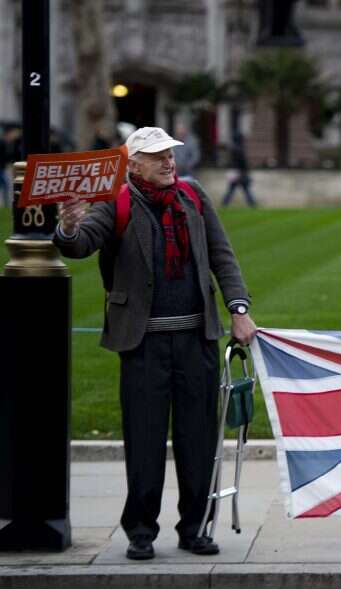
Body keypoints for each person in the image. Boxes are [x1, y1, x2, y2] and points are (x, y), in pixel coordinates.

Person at [54, 126, 257, 560]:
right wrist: (69, 227)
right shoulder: (118, 202)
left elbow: (223, 256)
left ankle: (195, 529)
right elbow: (80, 245)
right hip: (142, 343)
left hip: (196, 339)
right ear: (134, 164)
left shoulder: (193, 196)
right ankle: (141, 531)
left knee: (199, 441)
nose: (169, 162)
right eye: (157, 156)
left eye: (170, 154)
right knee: (144, 441)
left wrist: (238, 309)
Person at [221, 132, 257, 208]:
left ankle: (225, 203)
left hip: (234, 171)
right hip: (240, 172)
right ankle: (252, 203)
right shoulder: (240, 148)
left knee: (233, 189)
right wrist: (246, 170)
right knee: (245, 189)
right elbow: (243, 162)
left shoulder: (232, 148)